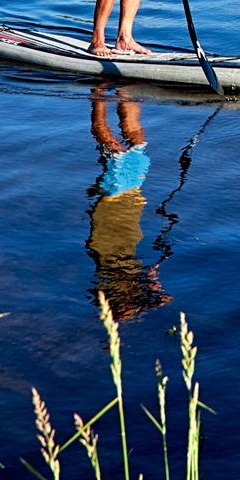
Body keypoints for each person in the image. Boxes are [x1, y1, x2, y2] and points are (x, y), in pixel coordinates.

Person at [86, 86, 170, 320]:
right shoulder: (125, 272)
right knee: (122, 137)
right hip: (125, 195)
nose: (129, 312)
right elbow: (164, 299)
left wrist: (150, 284)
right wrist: (151, 282)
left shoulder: (109, 276)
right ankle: (112, 91)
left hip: (125, 195)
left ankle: (112, 91)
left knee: (122, 139)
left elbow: (163, 299)